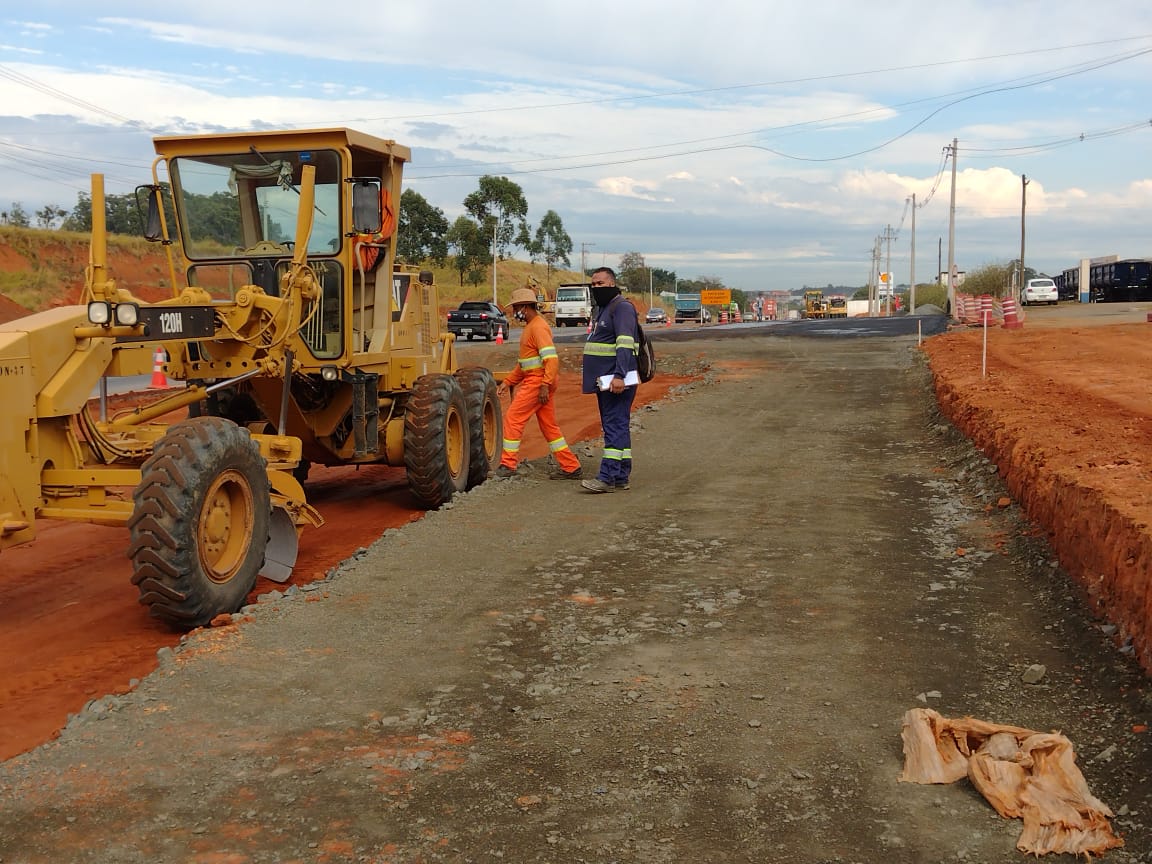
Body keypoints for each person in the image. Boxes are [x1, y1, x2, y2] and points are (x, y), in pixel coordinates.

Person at [494, 287, 583, 480]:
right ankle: (571, 467)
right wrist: (508, 381)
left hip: (538, 382)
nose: (513, 311)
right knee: (549, 426)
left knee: (512, 418)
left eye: (516, 307)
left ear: (525, 307)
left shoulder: (537, 327)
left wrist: (544, 384)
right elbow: (525, 364)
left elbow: (551, 359)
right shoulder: (532, 327)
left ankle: (507, 464)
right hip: (539, 381)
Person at [580, 267, 639, 493]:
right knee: (618, 426)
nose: (596, 287)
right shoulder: (603, 309)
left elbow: (624, 343)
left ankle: (606, 477)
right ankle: (621, 475)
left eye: (600, 284)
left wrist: (619, 376)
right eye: (593, 284)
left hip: (616, 382)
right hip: (606, 381)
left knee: (614, 426)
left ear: (612, 284)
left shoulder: (621, 308)